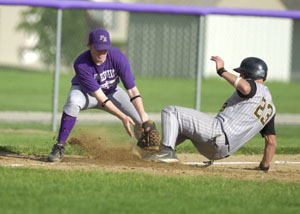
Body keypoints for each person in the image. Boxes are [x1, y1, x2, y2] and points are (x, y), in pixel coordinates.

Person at [145, 56, 277, 171]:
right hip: (221, 152)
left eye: (242, 73)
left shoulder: (252, 86)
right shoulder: (270, 109)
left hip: (217, 134)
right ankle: (156, 151)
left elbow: (246, 87)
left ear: (250, 74)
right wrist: (264, 166)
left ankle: (167, 152)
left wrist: (221, 71)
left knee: (171, 111)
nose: (240, 76)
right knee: (182, 127)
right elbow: (271, 142)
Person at [48, 28, 157, 162]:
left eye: (104, 49)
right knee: (73, 101)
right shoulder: (81, 63)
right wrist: (123, 116)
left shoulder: (118, 58)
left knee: (143, 119)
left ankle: (145, 152)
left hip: (112, 91)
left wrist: (143, 119)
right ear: (89, 46)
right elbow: (101, 98)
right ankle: (59, 146)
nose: (101, 53)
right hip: (86, 93)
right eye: (97, 49)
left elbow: (133, 91)